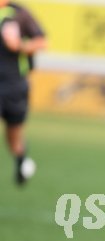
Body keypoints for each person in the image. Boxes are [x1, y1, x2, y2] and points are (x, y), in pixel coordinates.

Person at [0, 0, 46, 185]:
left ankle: (21, 160)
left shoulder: (20, 14)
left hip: (14, 84)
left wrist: (20, 46)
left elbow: (42, 41)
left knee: (14, 135)